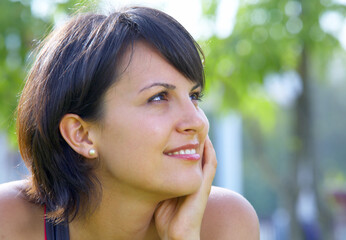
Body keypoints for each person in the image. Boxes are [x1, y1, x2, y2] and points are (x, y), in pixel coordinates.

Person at [0, 6, 259, 240]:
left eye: (194, 96)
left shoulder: (225, 222)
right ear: (81, 134)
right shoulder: (8, 222)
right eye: (158, 97)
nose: (197, 122)